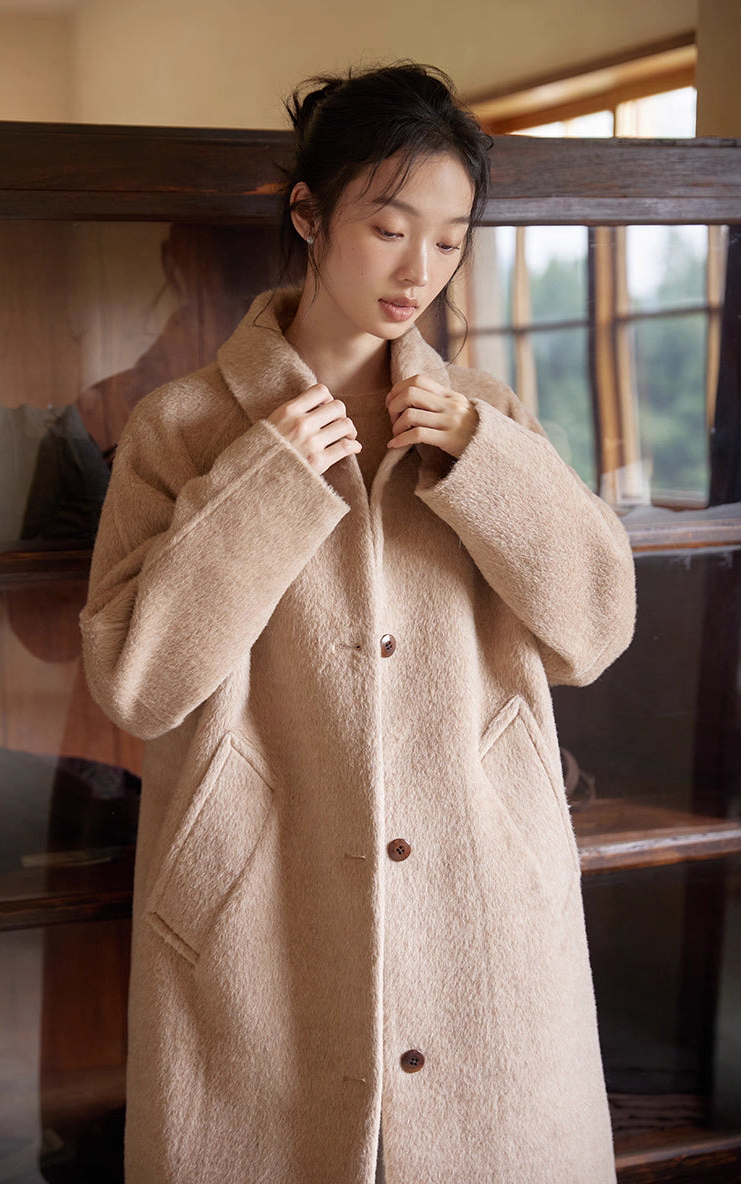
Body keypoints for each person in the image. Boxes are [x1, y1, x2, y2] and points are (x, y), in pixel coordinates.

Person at [80, 62, 636, 1184]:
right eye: (389, 227)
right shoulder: (179, 429)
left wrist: (488, 462)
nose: (417, 269)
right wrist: (269, 477)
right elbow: (138, 682)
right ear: (308, 214)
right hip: (259, 929)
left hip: (484, 917)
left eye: (447, 237)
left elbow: (594, 627)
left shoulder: (494, 415)